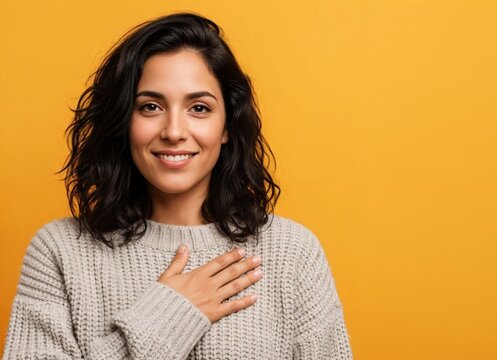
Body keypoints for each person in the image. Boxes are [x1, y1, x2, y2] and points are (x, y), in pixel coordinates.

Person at [2, 12, 352, 359]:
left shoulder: (292, 254)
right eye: (150, 106)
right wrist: (170, 314)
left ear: (227, 126)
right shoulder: (60, 252)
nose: (173, 131)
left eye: (199, 108)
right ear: (124, 120)